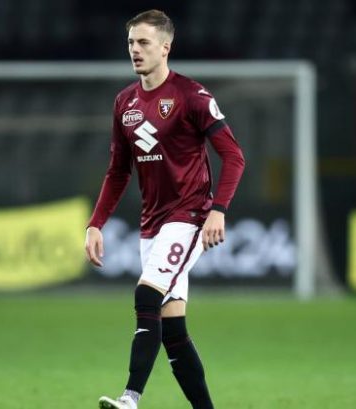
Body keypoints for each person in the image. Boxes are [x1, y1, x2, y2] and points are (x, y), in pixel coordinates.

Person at [85, 9, 245, 409]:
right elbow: (118, 171)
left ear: (165, 47)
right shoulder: (124, 102)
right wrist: (95, 223)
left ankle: (130, 397)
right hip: (151, 225)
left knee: (146, 295)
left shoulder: (192, 96)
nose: (135, 50)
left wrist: (218, 210)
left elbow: (234, 156)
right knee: (173, 331)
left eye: (143, 42)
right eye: (130, 43)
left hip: (189, 217)